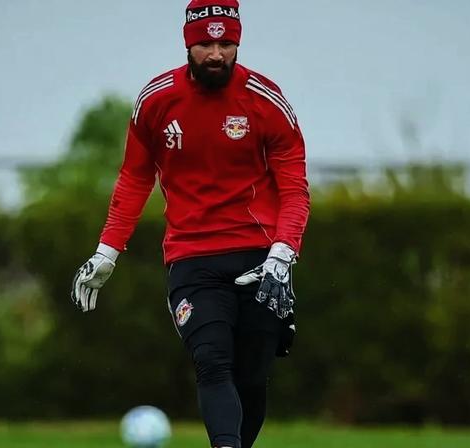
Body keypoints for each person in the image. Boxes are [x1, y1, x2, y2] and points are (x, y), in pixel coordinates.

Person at [70, 1, 310, 446]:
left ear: (238, 42)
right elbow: (135, 177)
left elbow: (295, 188)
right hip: (191, 258)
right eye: (205, 43)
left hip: (261, 257)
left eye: (226, 43)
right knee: (212, 363)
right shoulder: (156, 101)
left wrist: (283, 253)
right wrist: (107, 250)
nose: (216, 53)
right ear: (187, 44)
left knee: (251, 378)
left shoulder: (267, 101)